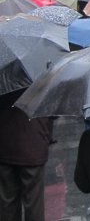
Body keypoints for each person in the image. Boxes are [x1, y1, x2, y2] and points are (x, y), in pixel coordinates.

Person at [0, 89, 53, 221]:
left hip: (5, 143)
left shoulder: (4, 77)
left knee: (7, 203)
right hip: (33, 144)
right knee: (34, 203)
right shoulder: (40, 75)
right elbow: (53, 109)